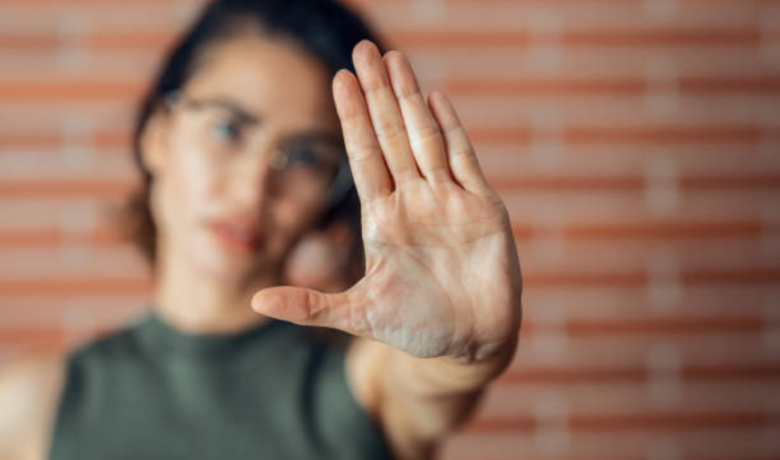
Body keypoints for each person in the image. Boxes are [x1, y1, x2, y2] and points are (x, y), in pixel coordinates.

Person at [0, 0, 523, 459]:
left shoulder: (363, 383)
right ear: (158, 134)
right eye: (227, 128)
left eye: (304, 156)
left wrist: (466, 350)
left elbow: (432, 379)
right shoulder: (31, 405)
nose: (254, 190)